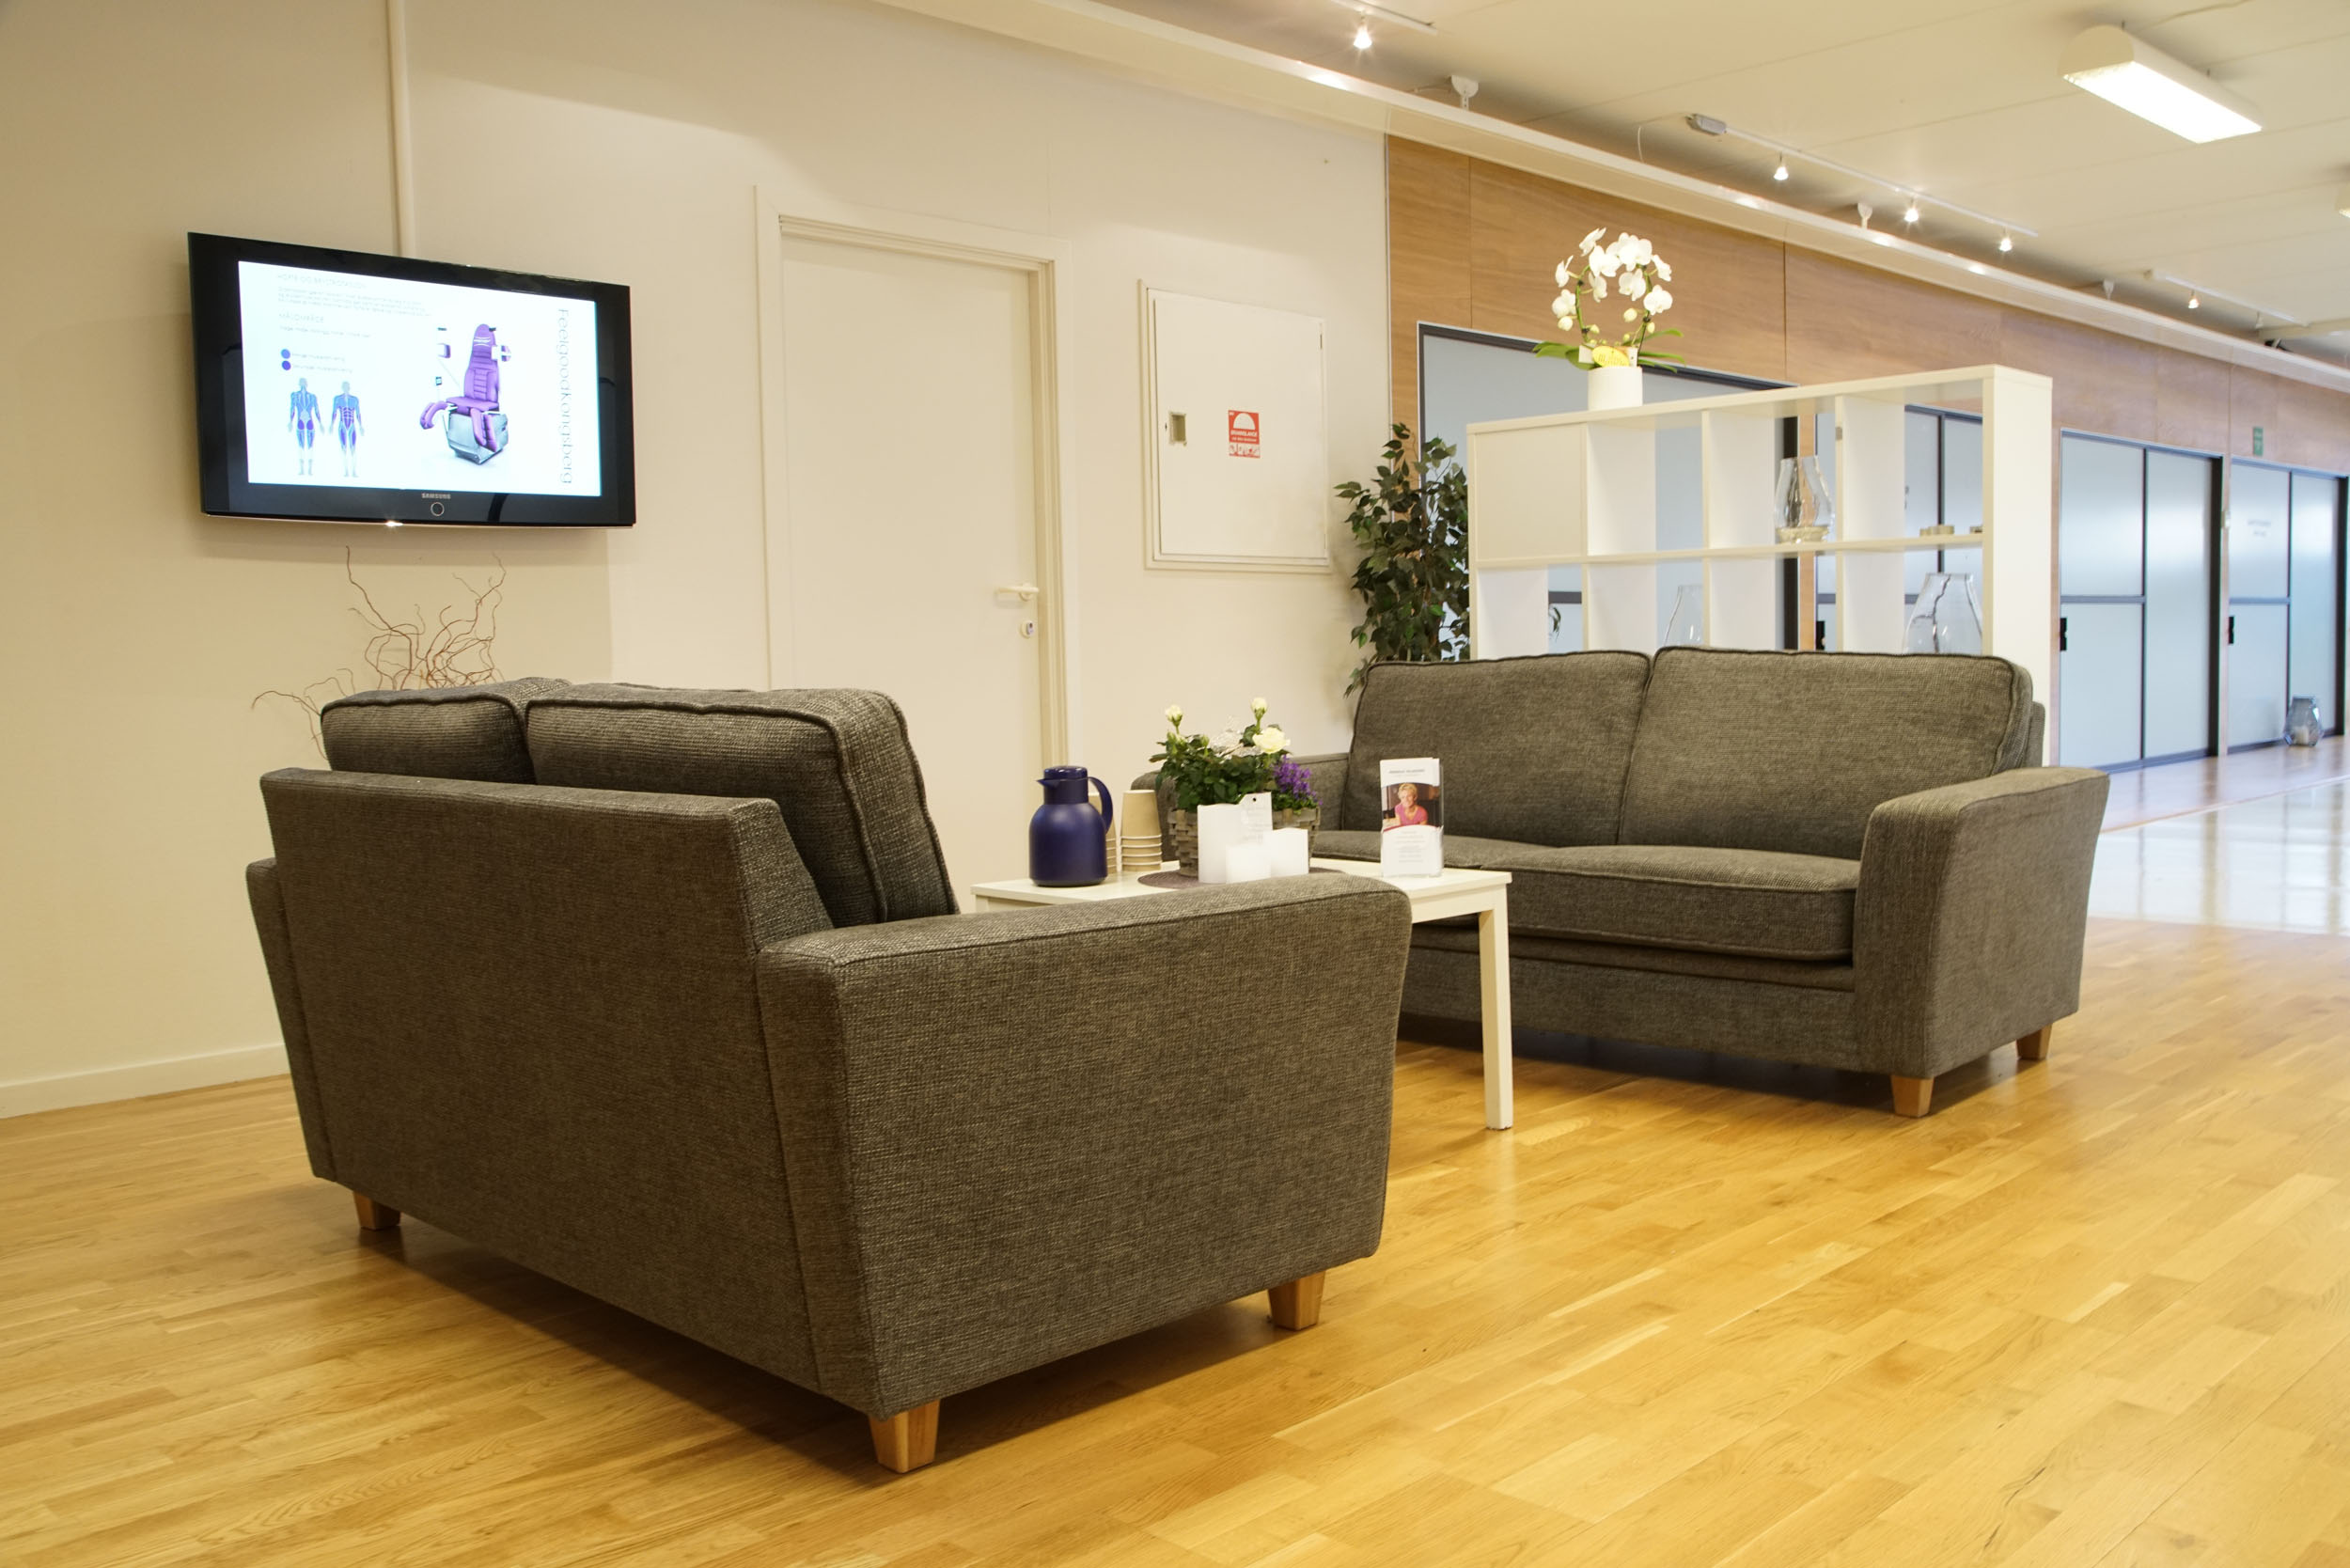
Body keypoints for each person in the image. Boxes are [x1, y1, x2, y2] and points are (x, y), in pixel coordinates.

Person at [287, 377, 320, 476]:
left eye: (304, 382)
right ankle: (301, 469)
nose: (303, 384)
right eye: (301, 382)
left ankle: (310, 469)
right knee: (301, 445)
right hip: (300, 421)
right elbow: (292, 408)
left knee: (310, 445)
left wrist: (320, 423)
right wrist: (290, 421)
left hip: (310, 422)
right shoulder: (295, 395)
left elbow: (316, 410)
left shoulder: (312, 396)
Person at [330, 382, 364, 477]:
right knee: (344, 448)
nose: (346, 388)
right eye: (344, 386)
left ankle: (354, 471)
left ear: (349, 387)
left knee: (353, 448)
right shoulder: (337, 399)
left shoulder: (354, 399)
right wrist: (332, 424)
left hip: (352, 425)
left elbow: (358, 413)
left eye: (347, 386)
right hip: (342, 425)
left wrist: (360, 426)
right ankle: (345, 471)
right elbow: (334, 412)